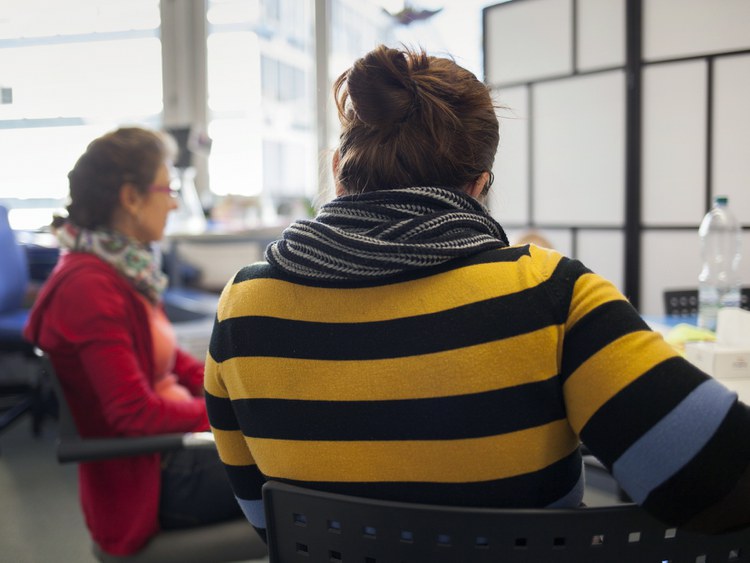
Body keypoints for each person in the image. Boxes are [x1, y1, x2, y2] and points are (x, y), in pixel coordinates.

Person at [204, 45, 750, 539]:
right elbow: (722, 490)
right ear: (480, 183)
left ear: (337, 171)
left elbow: (267, 520)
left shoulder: (241, 309)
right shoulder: (549, 296)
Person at [24, 127, 244, 557]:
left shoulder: (120, 267)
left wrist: (234, 391)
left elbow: (170, 362)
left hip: (170, 453)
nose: (175, 201)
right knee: (306, 465)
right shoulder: (89, 287)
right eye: (168, 188)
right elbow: (133, 413)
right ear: (131, 197)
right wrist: (229, 415)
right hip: (156, 475)